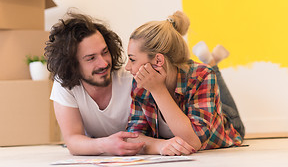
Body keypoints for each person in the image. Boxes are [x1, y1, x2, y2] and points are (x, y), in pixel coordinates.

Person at [125, 11, 244, 156]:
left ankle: (212, 63)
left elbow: (193, 142)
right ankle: (211, 59)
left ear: (158, 61)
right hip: (199, 105)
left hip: (227, 123)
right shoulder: (140, 82)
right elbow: (131, 138)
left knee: (209, 71)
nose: (127, 67)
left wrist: (158, 90)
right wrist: (159, 146)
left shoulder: (202, 76)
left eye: (132, 59)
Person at [45, 11, 145, 156]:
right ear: (72, 64)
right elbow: (73, 141)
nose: (103, 63)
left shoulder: (130, 78)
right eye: (91, 58)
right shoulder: (64, 85)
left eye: (105, 52)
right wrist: (105, 145)